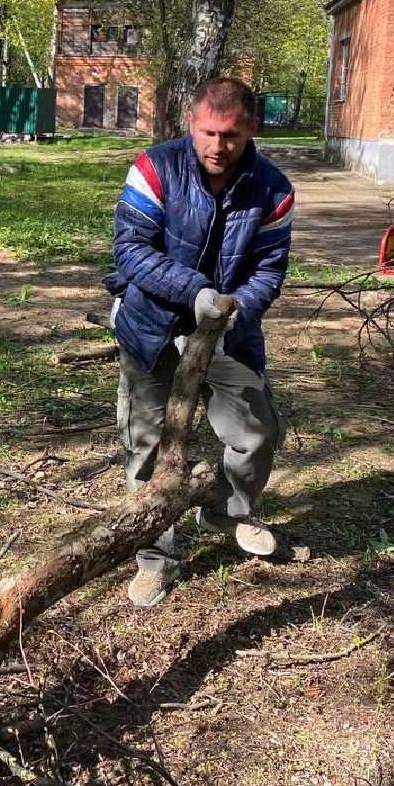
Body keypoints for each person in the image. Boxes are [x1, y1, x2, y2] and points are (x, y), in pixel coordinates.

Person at [104, 77, 293, 607]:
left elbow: (269, 269)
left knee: (256, 430)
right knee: (145, 442)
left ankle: (226, 511)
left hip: (230, 326)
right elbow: (131, 251)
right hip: (150, 323)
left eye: (231, 135)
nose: (217, 146)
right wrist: (196, 292)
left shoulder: (273, 189)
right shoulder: (153, 168)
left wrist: (238, 309)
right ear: (191, 123)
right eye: (208, 132)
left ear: (251, 129)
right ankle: (154, 558)